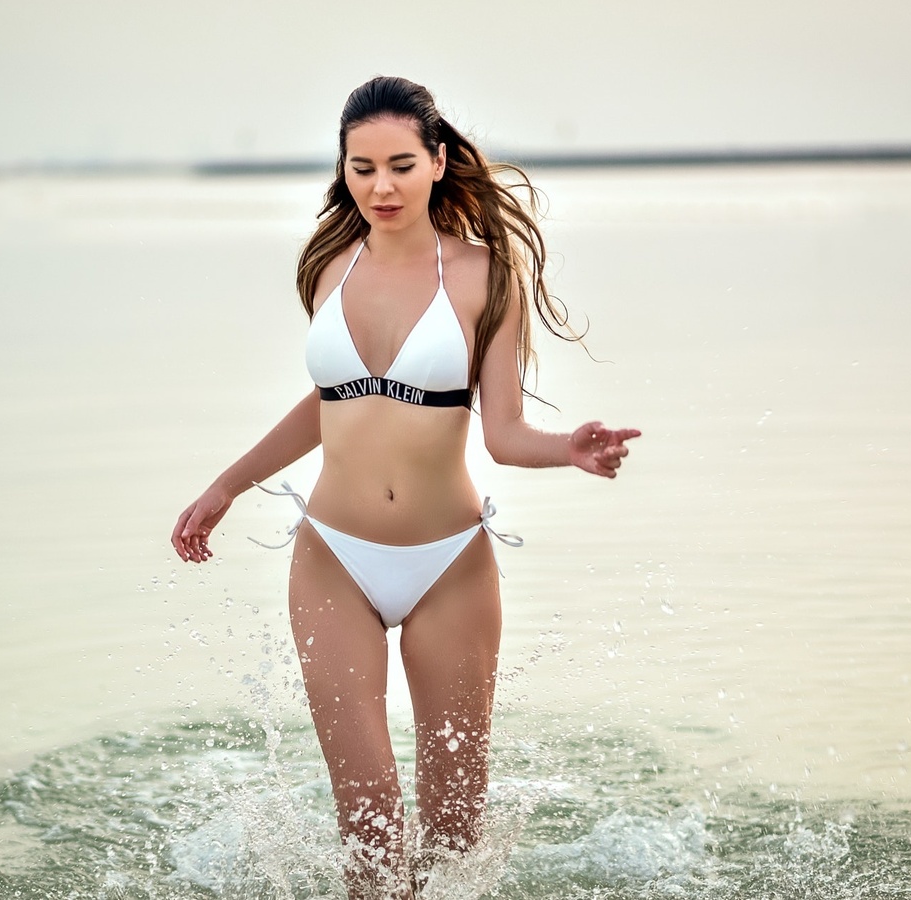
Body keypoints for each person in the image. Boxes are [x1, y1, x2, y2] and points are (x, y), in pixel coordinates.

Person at [171, 76, 639, 899]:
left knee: (454, 834)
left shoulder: (484, 275)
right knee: (370, 827)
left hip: (448, 563)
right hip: (332, 557)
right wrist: (227, 486)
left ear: (438, 162)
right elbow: (334, 400)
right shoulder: (326, 265)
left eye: (398, 164)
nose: (379, 186)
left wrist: (569, 449)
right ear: (343, 170)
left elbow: (502, 432)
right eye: (361, 168)